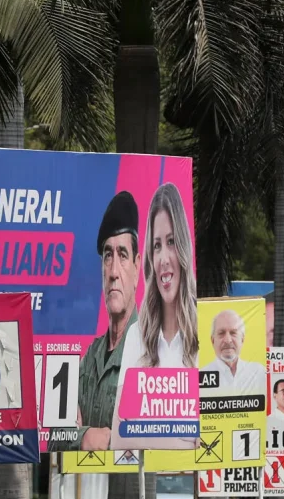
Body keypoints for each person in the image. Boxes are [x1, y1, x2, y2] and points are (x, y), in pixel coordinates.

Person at [49, 191, 140, 452]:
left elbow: (153, 438)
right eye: (107, 256)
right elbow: (56, 436)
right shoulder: (90, 357)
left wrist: (81, 431)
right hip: (85, 490)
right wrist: (87, 437)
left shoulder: (150, 352)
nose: (113, 272)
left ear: (137, 268)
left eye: (122, 255)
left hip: (132, 491)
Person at [111, 183, 199, 450]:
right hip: (145, 481)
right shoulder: (136, 336)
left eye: (171, 242)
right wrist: (182, 438)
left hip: (195, 485)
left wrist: (147, 432)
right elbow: (119, 437)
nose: (163, 258)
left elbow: (212, 438)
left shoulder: (206, 336)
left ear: (183, 248)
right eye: (157, 245)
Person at [206, 309, 265, 392]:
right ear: (212, 340)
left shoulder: (258, 372)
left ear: (242, 339)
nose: (228, 340)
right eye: (221, 333)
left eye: (233, 333)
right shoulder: (200, 375)